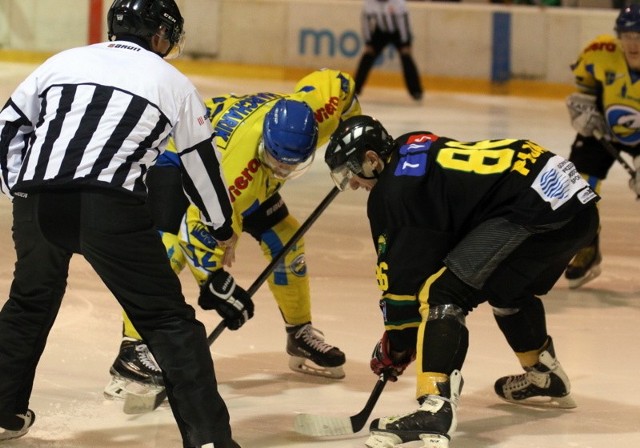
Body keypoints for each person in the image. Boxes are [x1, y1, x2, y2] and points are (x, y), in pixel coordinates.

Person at [0, 0, 242, 446]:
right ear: (157, 35)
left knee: (29, 303)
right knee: (169, 323)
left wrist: (18, 188)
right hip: (108, 206)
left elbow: (9, 125)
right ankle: (210, 440)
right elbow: (200, 167)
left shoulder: (64, 61)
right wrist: (221, 227)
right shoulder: (173, 82)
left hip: (38, 203)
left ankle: (2, 411)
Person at [324, 115, 599, 448]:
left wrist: (398, 342)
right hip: (575, 205)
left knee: (442, 293)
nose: (352, 183)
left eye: (351, 171)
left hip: (533, 207)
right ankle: (544, 373)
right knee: (506, 288)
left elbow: (402, 282)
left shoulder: (391, 195)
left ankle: (435, 407)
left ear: (371, 159)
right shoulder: (410, 143)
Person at [103, 69, 362, 400]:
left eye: (291, 166)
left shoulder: (316, 113)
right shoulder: (236, 172)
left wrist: (354, 130)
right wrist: (215, 284)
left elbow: (338, 82)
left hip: (242, 170)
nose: (283, 172)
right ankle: (134, 347)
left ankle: (299, 332)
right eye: (278, 162)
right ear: (264, 145)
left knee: (286, 237)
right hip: (178, 158)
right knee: (167, 248)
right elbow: (196, 231)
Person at [563, 4, 640, 289]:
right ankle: (587, 247)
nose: (633, 43)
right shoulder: (601, 52)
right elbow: (585, 89)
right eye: (627, 35)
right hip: (604, 130)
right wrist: (582, 108)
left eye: (639, 35)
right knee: (579, 185)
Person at [354, 0, 423, 101]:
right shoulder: (369, 2)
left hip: (398, 33)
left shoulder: (398, 2)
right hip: (380, 33)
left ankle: (416, 91)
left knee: (406, 58)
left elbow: (404, 22)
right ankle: (355, 89)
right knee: (367, 56)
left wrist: (405, 42)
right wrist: (368, 42)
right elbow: (366, 22)